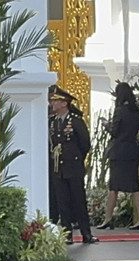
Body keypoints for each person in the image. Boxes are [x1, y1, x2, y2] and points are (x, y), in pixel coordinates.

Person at [48, 84, 99, 245]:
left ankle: (86, 233)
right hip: (58, 167)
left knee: (78, 200)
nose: (52, 103)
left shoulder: (75, 121)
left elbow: (85, 144)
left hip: (73, 167)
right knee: (62, 201)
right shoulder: (53, 122)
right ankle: (67, 233)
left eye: (56, 101)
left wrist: (77, 158)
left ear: (65, 103)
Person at [97, 82, 139, 230]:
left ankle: (108, 218)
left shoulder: (120, 111)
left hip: (119, 152)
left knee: (113, 186)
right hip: (132, 151)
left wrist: (106, 124)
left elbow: (115, 131)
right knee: (134, 186)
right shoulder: (136, 111)